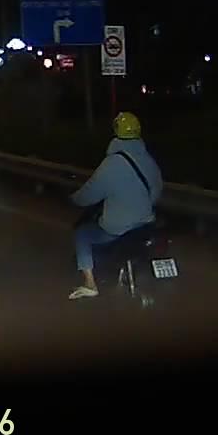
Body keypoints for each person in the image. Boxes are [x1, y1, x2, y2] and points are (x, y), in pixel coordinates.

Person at [67, 112, 163, 300]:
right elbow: (157, 189)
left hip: (118, 228)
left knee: (83, 234)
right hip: (145, 223)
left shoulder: (112, 163)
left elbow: (90, 193)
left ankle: (90, 284)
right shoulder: (147, 159)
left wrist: (75, 199)